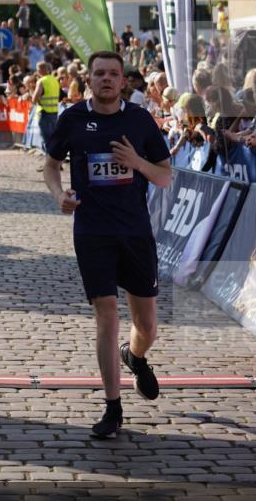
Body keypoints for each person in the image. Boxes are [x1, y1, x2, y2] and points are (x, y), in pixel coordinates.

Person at [42, 51, 172, 439]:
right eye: (99, 73)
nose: (107, 79)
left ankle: (135, 356)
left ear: (123, 81)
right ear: (89, 79)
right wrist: (57, 195)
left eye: (113, 74)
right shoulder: (72, 119)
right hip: (92, 231)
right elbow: (50, 164)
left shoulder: (139, 119)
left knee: (146, 325)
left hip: (134, 231)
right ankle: (113, 408)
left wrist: (137, 162)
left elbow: (165, 176)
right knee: (107, 315)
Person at [31, 61, 60, 155]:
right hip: (55, 113)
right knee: (53, 139)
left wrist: (32, 92)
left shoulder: (41, 81)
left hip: (44, 113)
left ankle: (49, 164)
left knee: (46, 140)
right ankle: (56, 162)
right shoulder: (54, 80)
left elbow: (34, 98)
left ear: (39, 70)